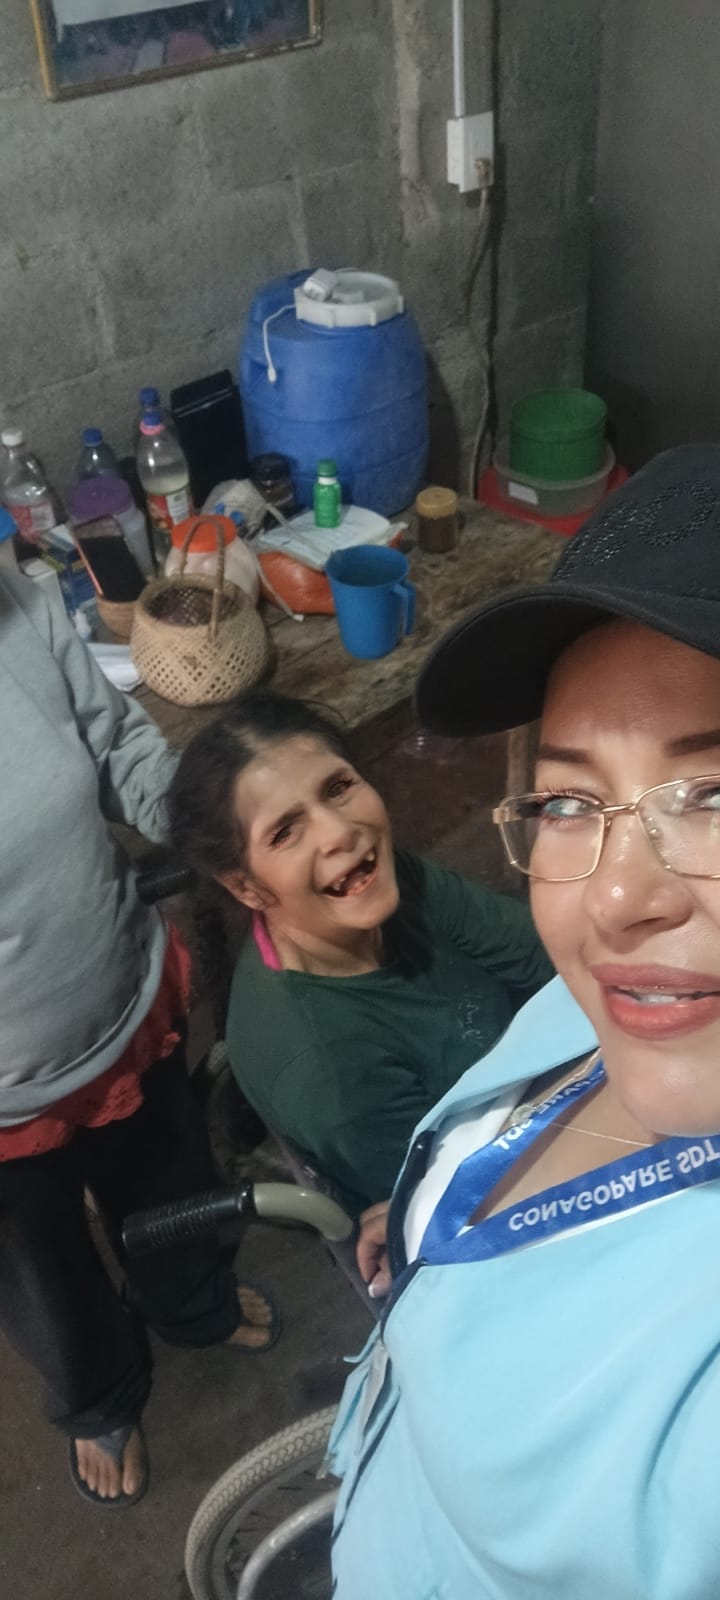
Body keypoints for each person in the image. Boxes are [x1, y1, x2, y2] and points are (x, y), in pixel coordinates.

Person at [328, 444, 720, 1600]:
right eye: (567, 799)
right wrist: (429, 1201)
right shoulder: (623, 999)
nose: (614, 895)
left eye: (715, 794)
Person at [0, 571, 279, 1510]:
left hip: (123, 992)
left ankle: (190, 1301)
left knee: (170, 1181)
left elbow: (114, 742)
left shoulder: (16, 602)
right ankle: (99, 1393)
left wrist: (229, 823)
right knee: (41, 1271)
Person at [167, 692, 553, 1215]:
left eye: (337, 788)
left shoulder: (386, 882)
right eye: (284, 832)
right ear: (245, 887)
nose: (339, 832)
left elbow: (546, 961)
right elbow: (467, 1199)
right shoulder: (328, 1069)